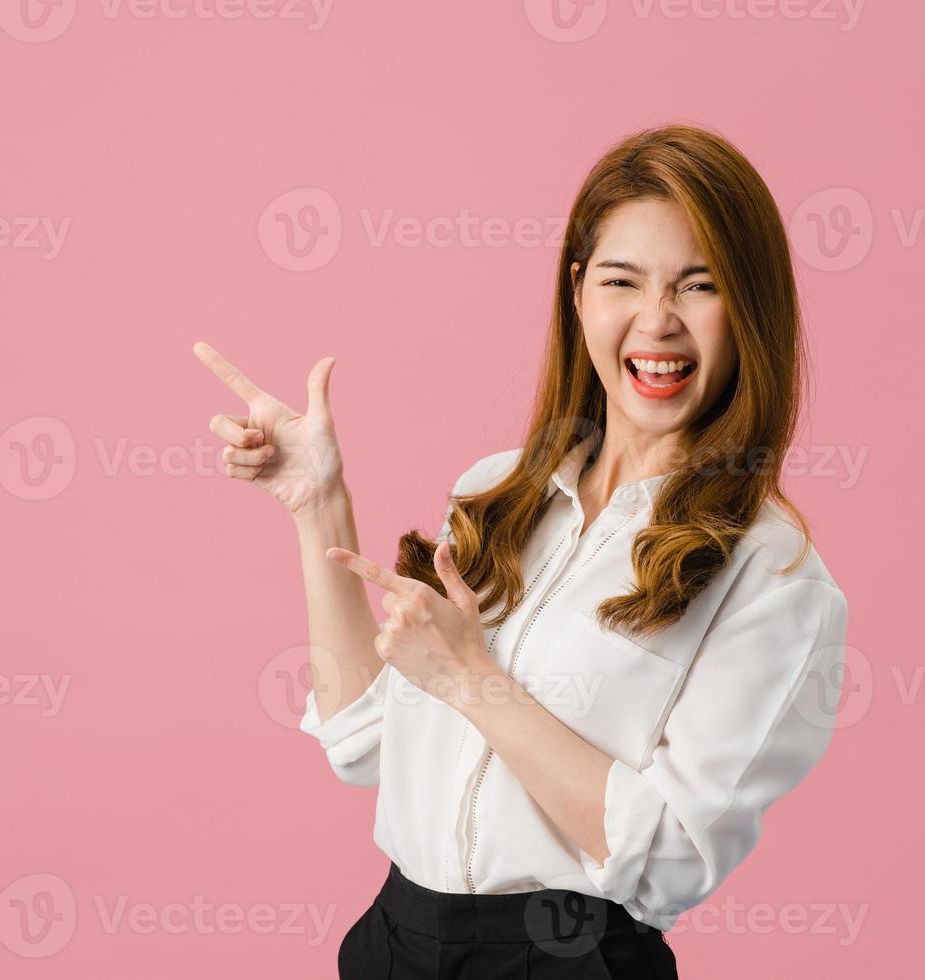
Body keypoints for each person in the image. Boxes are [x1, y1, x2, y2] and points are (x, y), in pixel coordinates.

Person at [193, 123, 849, 978]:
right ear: (579, 295)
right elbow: (364, 743)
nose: (657, 321)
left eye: (699, 286)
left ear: (750, 307)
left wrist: (474, 681)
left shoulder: (775, 578)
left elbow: (672, 862)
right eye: (623, 281)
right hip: (394, 943)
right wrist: (320, 507)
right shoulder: (499, 491)